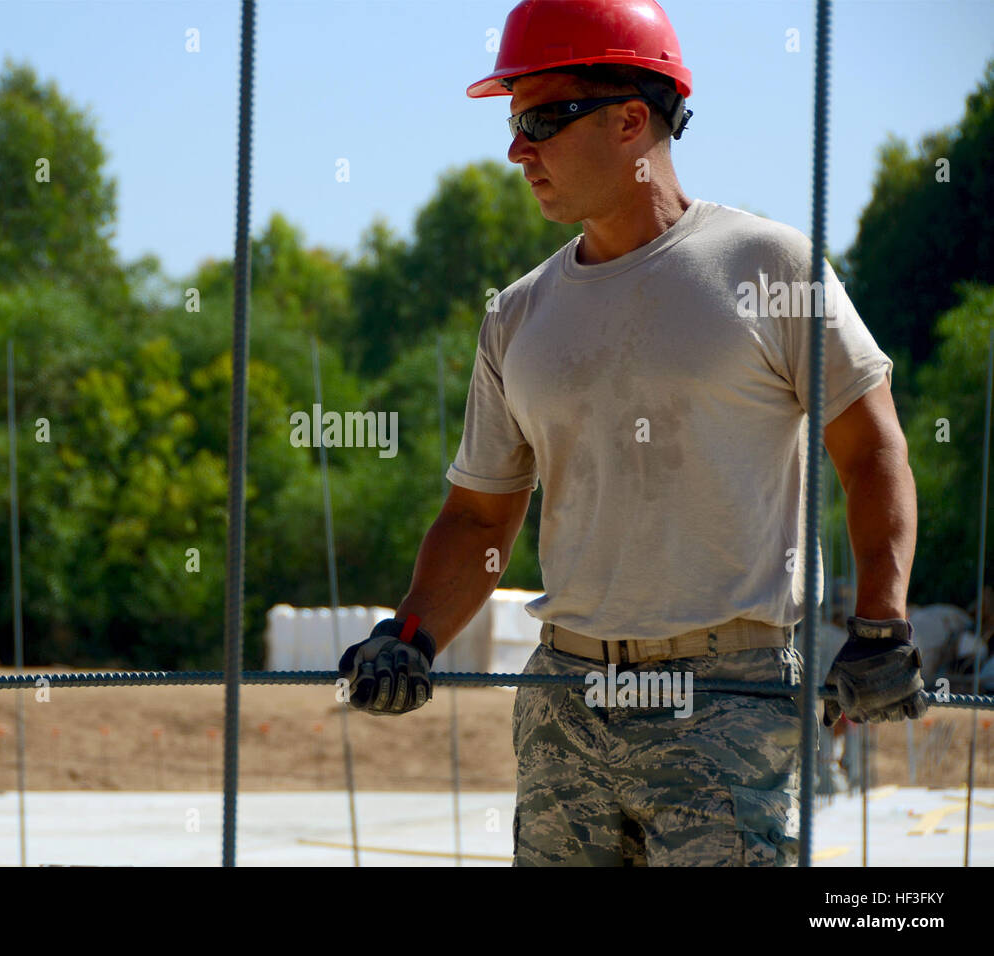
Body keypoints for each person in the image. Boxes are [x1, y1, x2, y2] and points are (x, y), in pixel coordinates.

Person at [337, 0, 927, 866]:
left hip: (726, 700)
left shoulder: (768, 268)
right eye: (513, 125)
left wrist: (882, 625)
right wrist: (411, 634)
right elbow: (478, 520)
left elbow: (872, 450)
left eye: (541, 119)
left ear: (629, 120)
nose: (516, 150)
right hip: (564, 701)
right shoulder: (518, 316)